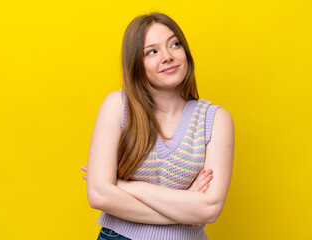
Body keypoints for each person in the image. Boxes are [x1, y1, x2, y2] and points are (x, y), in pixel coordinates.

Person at [81, 12, 234, 240]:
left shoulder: (215, 120)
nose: (167, 56)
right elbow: (98, 195)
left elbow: (209, 209)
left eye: (174, 44)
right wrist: (186, 208)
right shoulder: (118, 106)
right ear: (136, 64)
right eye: (152, 51)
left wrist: (127, 187)